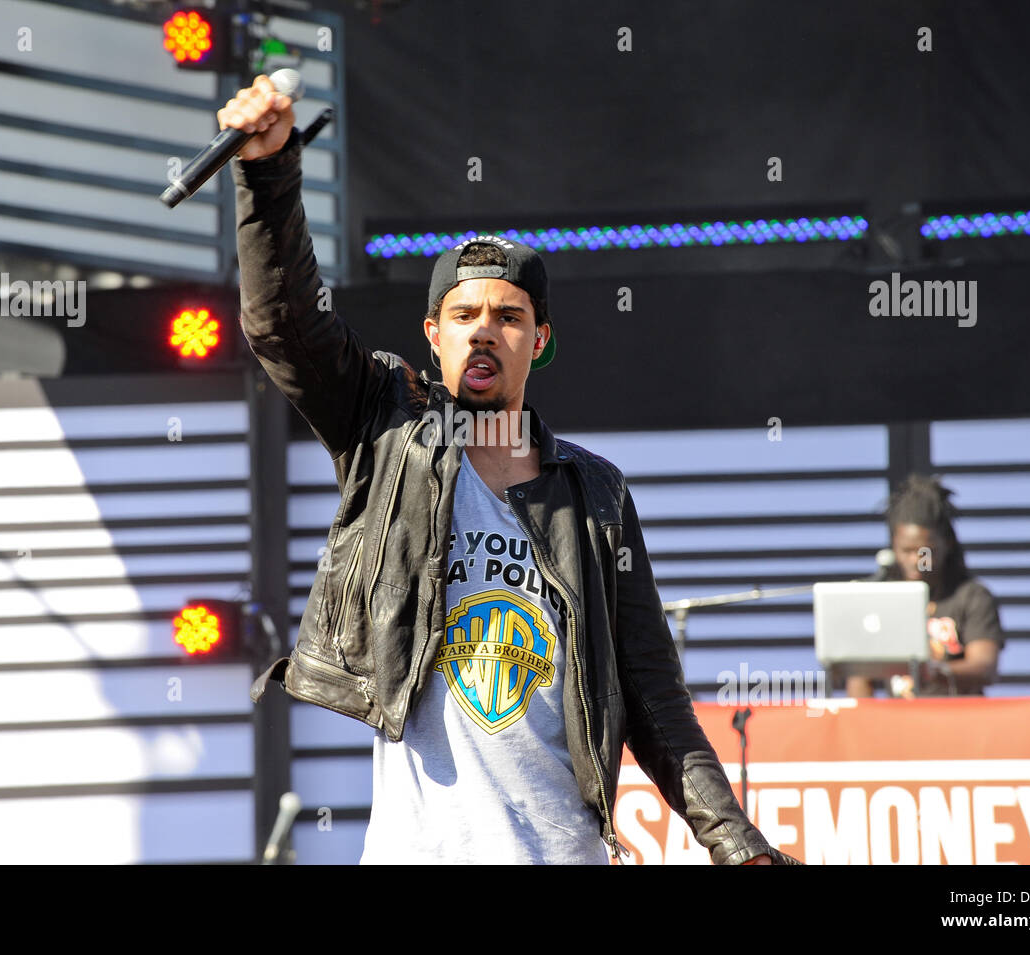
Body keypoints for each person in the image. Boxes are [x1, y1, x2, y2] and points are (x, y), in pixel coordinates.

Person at [221, 75, 798, 865]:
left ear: (540, 338)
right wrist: (267, 171)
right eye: (463, 315)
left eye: (508, 316)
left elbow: (653, 692)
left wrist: (738, 844)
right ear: (433, 333)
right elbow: (284, 323)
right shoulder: (386, 431)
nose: (484, 331)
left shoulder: (594, 494)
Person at [845, 475, 1004, 698]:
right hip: (900, 725)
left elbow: (984, 667)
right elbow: (860, 679)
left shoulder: (971, 596)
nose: (915, 561)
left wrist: (934, 671)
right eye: (906, 551)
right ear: (893, 546)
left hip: (959, 722)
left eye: (924, 551)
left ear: (946, 544)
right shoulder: (881, 599)